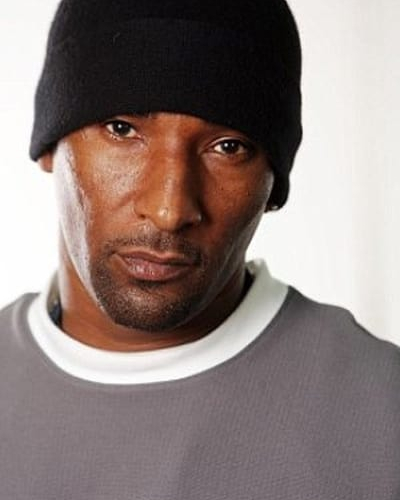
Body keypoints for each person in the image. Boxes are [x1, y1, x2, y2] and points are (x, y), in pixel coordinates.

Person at [1, 0, 399, 498]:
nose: (169, 209)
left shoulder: (382, 411)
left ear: (273, 185)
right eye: (123, 129)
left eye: (228, 147)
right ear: (50, 146)